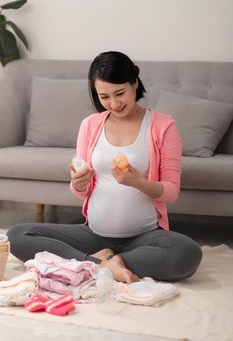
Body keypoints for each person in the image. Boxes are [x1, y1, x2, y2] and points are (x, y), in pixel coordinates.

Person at [7, 51, 202, 284]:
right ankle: (102, 264)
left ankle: (94, 262)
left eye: (120, 93)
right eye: (104, 97)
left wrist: (138, 182)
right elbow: (81, 191)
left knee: (187, 254)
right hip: (93, 235)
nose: (114, 103)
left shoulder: (163, 125)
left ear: (134, 83)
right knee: (17, 236)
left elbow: (171, 190)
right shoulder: (90, 125)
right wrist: (78, 184)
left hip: (144, 236)